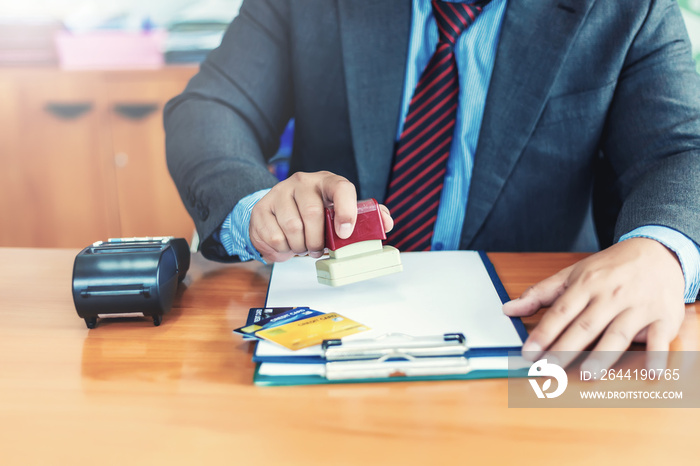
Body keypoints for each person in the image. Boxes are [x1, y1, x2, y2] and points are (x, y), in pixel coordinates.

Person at [164, 0, 700, 369]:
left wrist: (663, 250)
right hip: (331, 327)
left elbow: (682, 150)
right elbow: (211, 108)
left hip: (530, 331)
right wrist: (256, 206)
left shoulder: (629, 8)